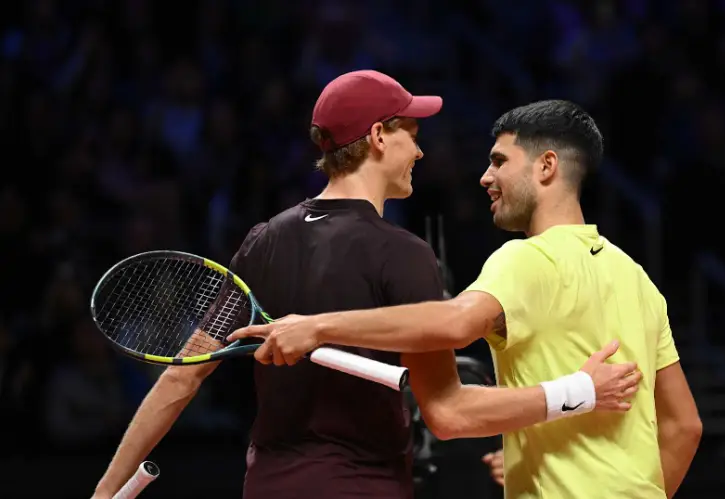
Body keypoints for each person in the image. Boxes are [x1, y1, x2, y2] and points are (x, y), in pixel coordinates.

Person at [92, 74, 641, 499]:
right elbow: (449, 414)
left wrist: (105, 490)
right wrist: (577, 392)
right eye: (412, 137)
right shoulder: (404, 254)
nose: (419, 153)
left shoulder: (262, 240)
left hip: (267, 486)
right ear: (378, 136)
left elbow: (180, 377)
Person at [228, 99, 704, 499]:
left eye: (499, 161)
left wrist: (317, 326)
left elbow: (455, 325)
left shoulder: (525, 259)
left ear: (546, 166)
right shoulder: (637, 278)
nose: (484, 177)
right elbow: (685, 427)